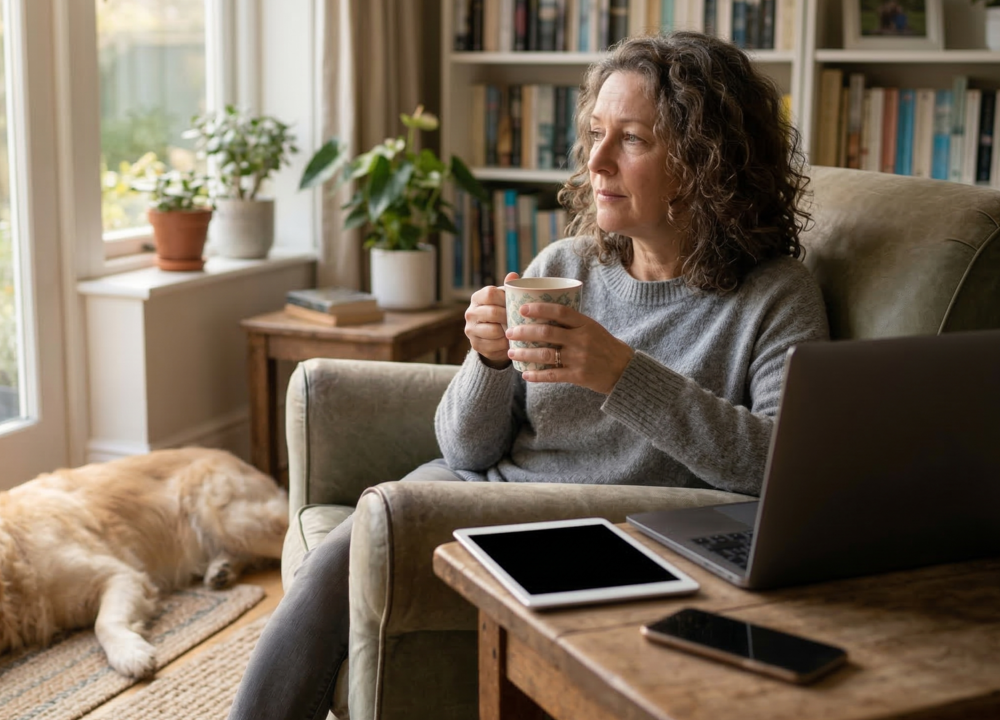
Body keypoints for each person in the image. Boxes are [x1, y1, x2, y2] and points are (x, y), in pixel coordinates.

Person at [227, 31, 829, 720]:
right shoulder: (568, 265)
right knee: (357, 539)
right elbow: (465, 452)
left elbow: (781, 468)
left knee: (360, 539)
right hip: (482, 490)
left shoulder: (776, 296)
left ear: (706, 162)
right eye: (596, 133)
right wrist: (486, 360)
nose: (596, 161)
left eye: (630, 139)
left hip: (602, 524)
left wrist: (621, 374)